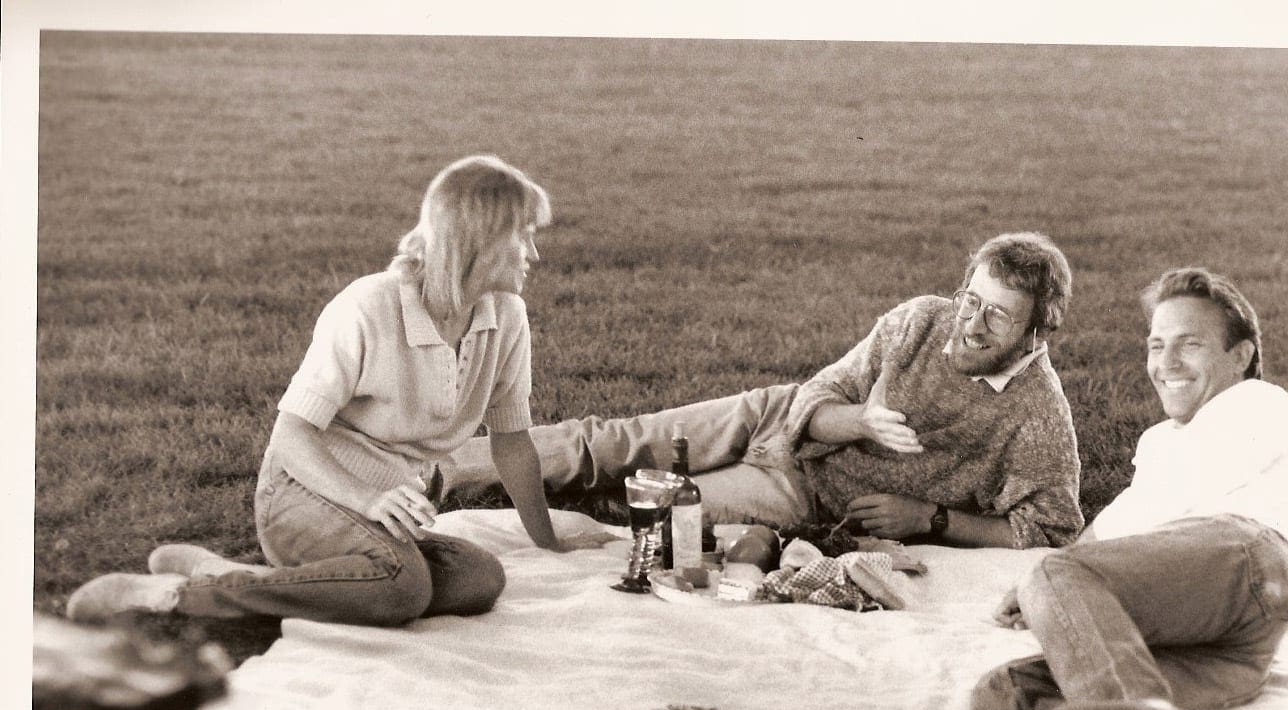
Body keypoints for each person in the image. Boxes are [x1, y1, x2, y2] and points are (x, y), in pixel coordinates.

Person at [67, 155, 613, 628]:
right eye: (524, 236)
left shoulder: (507, 317)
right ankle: (177, 598)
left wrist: (549, 545)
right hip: (305, 493)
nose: (533, 255)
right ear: (480, 240)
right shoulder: (368, 306)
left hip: (385, 514)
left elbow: (512, 444)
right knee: (402, 586)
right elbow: (291, 435)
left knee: (478, 578)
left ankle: (244, 576)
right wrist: (367, 499)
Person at [442, 232, 1084, 548]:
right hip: (773, 417)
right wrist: (863, 420)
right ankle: (434, 467)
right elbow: (819, 396)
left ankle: (528, 529)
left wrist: (931, 519)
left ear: (1035, 334)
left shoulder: (1037, 419)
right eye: (970, 297)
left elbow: (1051, 530)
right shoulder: (922, 319)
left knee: (655, 521)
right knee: (612, 444)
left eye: (997, 315)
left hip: (801, 491)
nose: (969, 322)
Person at [970, 267, 1288, 710]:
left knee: (1055, 576)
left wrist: (1058, 581)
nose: (1167, 363)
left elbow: (1167, 512)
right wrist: (1048, 597)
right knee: (1002, 692)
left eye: (1190, 344)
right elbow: (1110, 531)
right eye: (1157, 346)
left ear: (1240, 355)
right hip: (1218, 657)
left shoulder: (1260, 402)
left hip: (1248, 563)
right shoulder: (1160, 443)